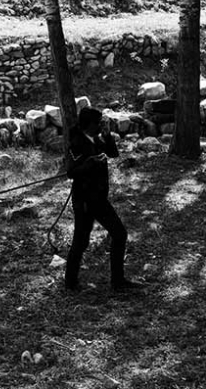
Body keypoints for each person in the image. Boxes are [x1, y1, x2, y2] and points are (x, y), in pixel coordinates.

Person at [64, 107, 138, 291]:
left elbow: (113, 153)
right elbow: (71, 172)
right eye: (98, 123)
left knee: (117, 234)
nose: (100, 125)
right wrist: (90, 163)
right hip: (85, 201)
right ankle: (71, 283)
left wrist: (108, 136)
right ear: (88, 124)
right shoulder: (76, 142)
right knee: (83, 241)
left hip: (98, 198)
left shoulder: (96, 138)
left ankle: (117, 281)